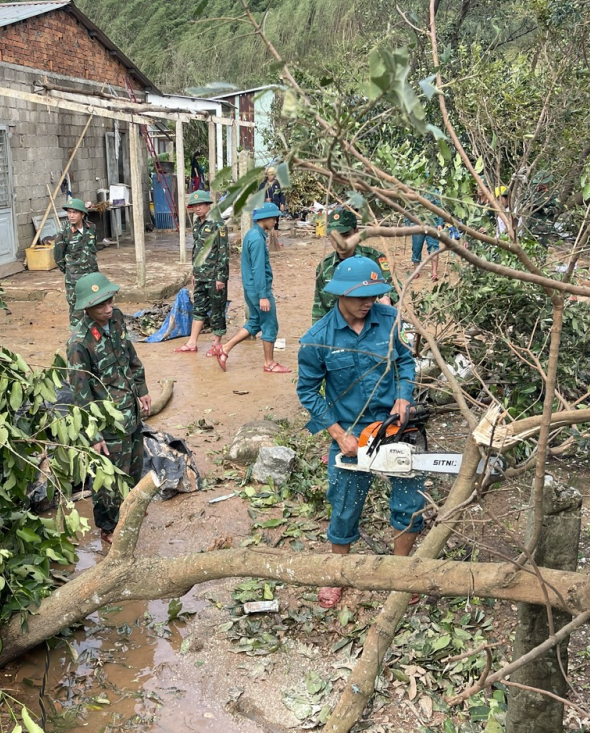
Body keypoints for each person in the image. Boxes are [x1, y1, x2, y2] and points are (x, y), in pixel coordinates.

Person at [296, 256, 424, 608]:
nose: (369, 302)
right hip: (351, 431)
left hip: (394, 424)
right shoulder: (316, 339)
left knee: (409, 501)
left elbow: (405, 361)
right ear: (339, 295)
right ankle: (339, 573)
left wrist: (403, 396)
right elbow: (307, 392)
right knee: (344, 504)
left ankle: (401, 575)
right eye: (361, 297)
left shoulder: (388, 320)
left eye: (374, 295)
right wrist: (338, 435)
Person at [66, 272, 151, 543]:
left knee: (134, 468)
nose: (108, 308)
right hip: (107, 424)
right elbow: (81, 396)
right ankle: (108, 528)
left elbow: (130, 356)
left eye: (110, 300)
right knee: (108, 480)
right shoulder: (79, 343)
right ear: (86, 308)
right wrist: (93, 436)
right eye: (101, 305)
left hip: (131, 411)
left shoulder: (116, 319)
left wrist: (143, 390)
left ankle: (129, 512)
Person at [217, 203, 290, 373]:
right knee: (270, 323)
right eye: (273, 218)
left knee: (255, 322)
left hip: (250, 288)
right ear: (263, 218)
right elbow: (258, 269)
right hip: (258, 290)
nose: (275, 221)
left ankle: (225, 348)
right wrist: (263, 295)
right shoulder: (257, 240)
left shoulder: (252, 234)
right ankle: (269, 363)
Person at [312, 208, 394, 324]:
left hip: (371, 326)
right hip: (338, 331)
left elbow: (392, 286)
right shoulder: (325, 266)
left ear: (356, 232)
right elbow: (319, 309)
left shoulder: (374, 259)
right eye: (334, 237)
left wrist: (387, 297)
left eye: (345, 235)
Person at [175, 190, 230, 356]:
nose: (197, 209)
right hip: (200, 276)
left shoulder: (218, 224)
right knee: (198, 309)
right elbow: (197, 250)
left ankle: (217, 343)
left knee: (216, 310)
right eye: (194, 206)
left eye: (200, 205)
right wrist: (194, 272)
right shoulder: (197, 224)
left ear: (208, 205)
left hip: (214, 277)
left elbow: (223, 252)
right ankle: (192, 342)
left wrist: (221, 277)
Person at [53, 198, 98, 322]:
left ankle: (94, 337)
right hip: (74, 279)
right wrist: (69, 269)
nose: (71, 216)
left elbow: (94, 249)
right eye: (69, 212)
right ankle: (76, 338)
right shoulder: (64, 232)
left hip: (92, 275)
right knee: (76, 311)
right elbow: (58, 257)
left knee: (94, 307)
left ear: (82, 214)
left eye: (75, 212)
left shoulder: (91, 228)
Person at [411, 192, 442, 282]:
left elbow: (440, 209)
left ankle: (434, 272)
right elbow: (410, 209)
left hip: (432, 224)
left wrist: (440, 224)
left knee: (434, 248)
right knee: (416, 247)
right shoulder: (414, 193)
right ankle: (416, 271)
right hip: (418, 225)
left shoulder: (434, 192)